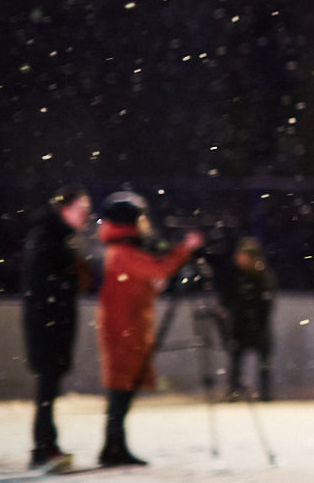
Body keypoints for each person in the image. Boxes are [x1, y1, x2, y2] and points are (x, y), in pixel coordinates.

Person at [95, 191, 203, 467]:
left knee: (124, 388)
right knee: (121, 388)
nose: (146, 223)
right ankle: (113, 446)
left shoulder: (122, 248)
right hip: (123, 329)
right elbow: (159, 270)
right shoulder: (122, 251)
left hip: (129, 326)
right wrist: (184, 250)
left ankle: (115, 444)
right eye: (141, 217)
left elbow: (150, 276)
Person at [21, 186, 93, 472]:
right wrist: (70, 281)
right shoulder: (49, 237)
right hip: (48, 325)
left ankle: (46, 445)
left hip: (51, 323)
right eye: (82, 210)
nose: (86, 216)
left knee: (48, 388)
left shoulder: (55, 236)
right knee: (47, 388)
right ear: (66, 208)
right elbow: (43, 284)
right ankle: (43, 447)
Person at [220, 236, 278, 401]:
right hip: (240, 325)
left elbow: (267, 301)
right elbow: (227, 297)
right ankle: (234, 390)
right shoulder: (235, 275)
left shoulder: (263, 274)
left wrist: (257, 318)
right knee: (236, 359)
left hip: (259, 326)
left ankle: (265, 393)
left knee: (263, 361)